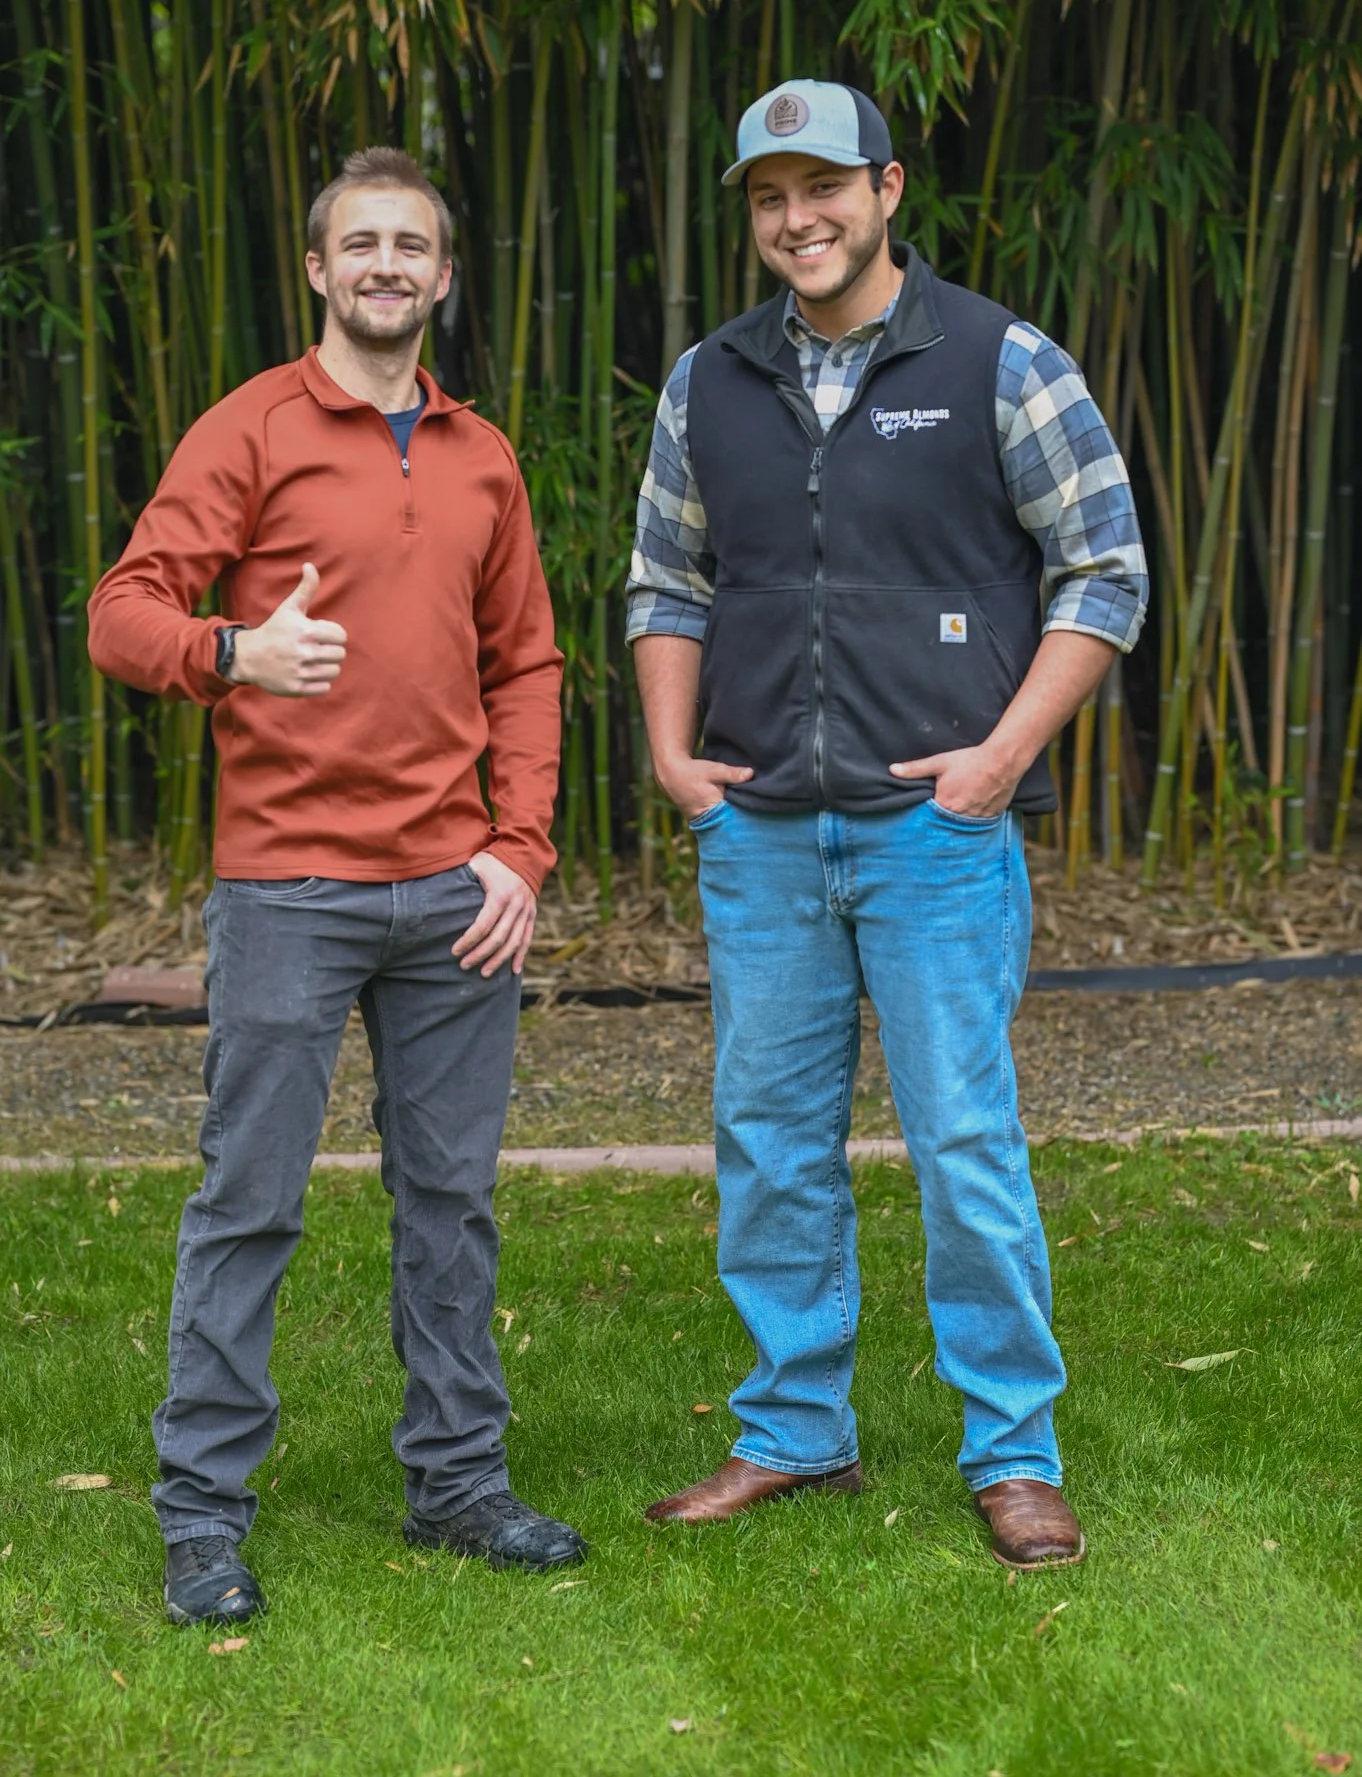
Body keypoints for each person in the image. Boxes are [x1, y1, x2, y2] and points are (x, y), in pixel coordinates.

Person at [626, 80, 1148, 1568]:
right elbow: (667, 581)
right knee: (770, 1141)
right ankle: (794, 1433)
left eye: (824, 188)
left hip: (935, 833)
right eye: (768, 197)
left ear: (888, 188)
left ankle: (1013, 1451)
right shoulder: (706, 380)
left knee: (963, 1140)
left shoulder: (999, 358)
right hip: (765, 833)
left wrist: (998, 758)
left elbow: (1101, 570)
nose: (797, 219)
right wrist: (673, 757)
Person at [88, 146, 586, 1626]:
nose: (384, 265)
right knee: (249, 1203)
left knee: (452, 1204)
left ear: (442, 276)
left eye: (410, 245)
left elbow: (531, 664)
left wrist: (521, 847)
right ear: (318, 270)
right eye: (358, 243)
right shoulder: (247, 430)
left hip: (454, 895)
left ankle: (459, 1485)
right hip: (287, 892)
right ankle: (202, 1519)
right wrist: (234, 652)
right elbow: (124, 614)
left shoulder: (481, 453)